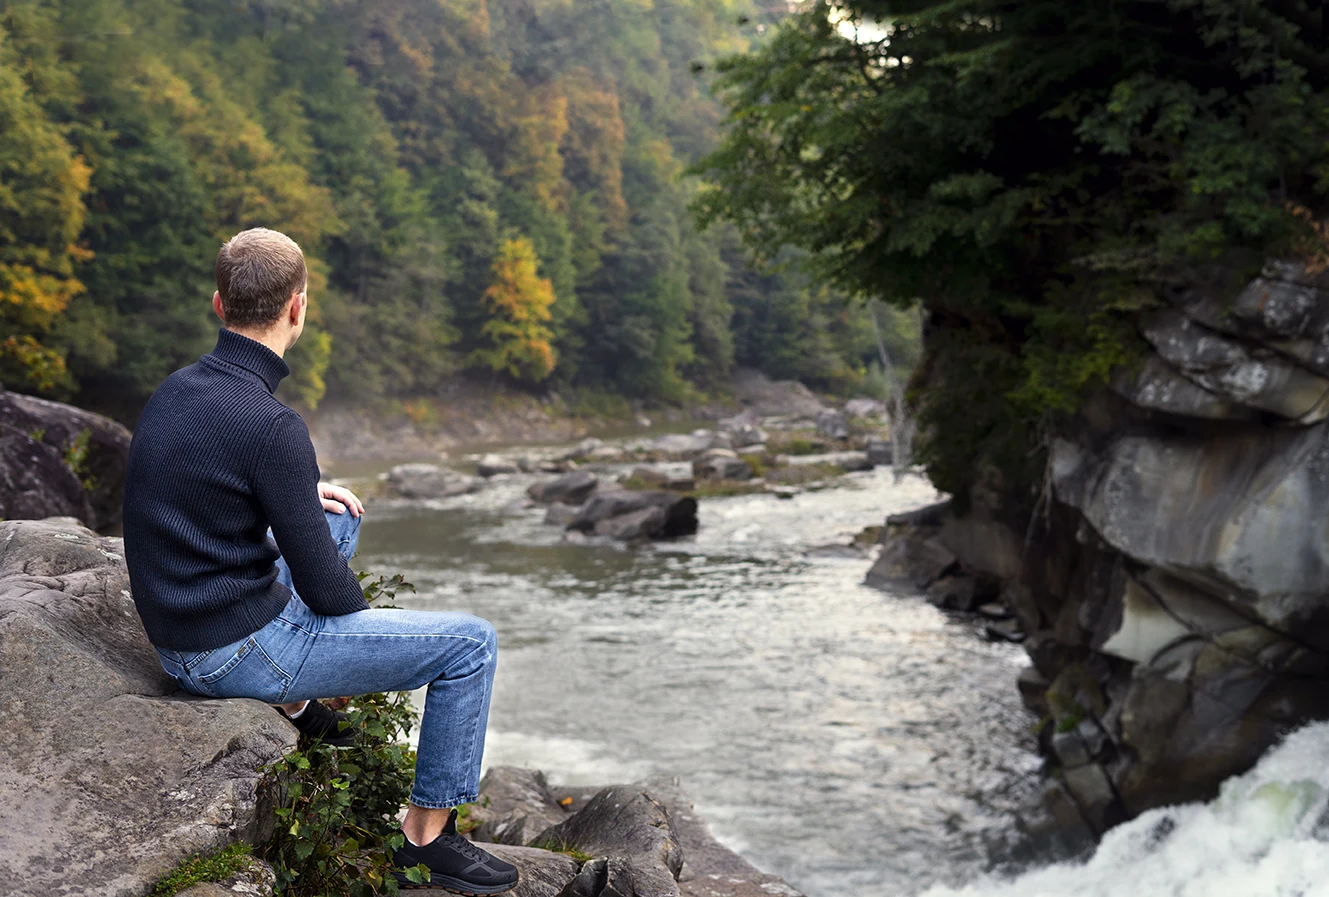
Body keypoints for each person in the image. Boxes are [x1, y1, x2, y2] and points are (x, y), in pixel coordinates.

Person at [121, 227, 519, 895]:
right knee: (470, 645)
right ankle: (425, 840)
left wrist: (301, 491)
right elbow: (328, 594)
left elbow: (193, 474)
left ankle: (298, 704)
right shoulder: (272, 425)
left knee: (332, 512)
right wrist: (352, 643)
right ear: (298, 308)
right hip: (228, 650)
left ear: (219, 305)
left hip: (178, 628)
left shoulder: (178, 389)